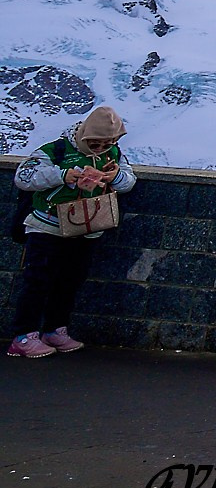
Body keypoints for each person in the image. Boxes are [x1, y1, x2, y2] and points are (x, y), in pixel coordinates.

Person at [10, 106, 137, 358]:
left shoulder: (113, 154)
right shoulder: (55, 151)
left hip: (87, 229)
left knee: (69, 281)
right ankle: (24, 335)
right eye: (95, 144)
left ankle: (54, 329)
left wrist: (114, 176)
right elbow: (23, 177)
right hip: (47, 227)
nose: (100, 149)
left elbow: (128, 182)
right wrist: (63, 175)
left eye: (107, 144)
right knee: (38, 281)